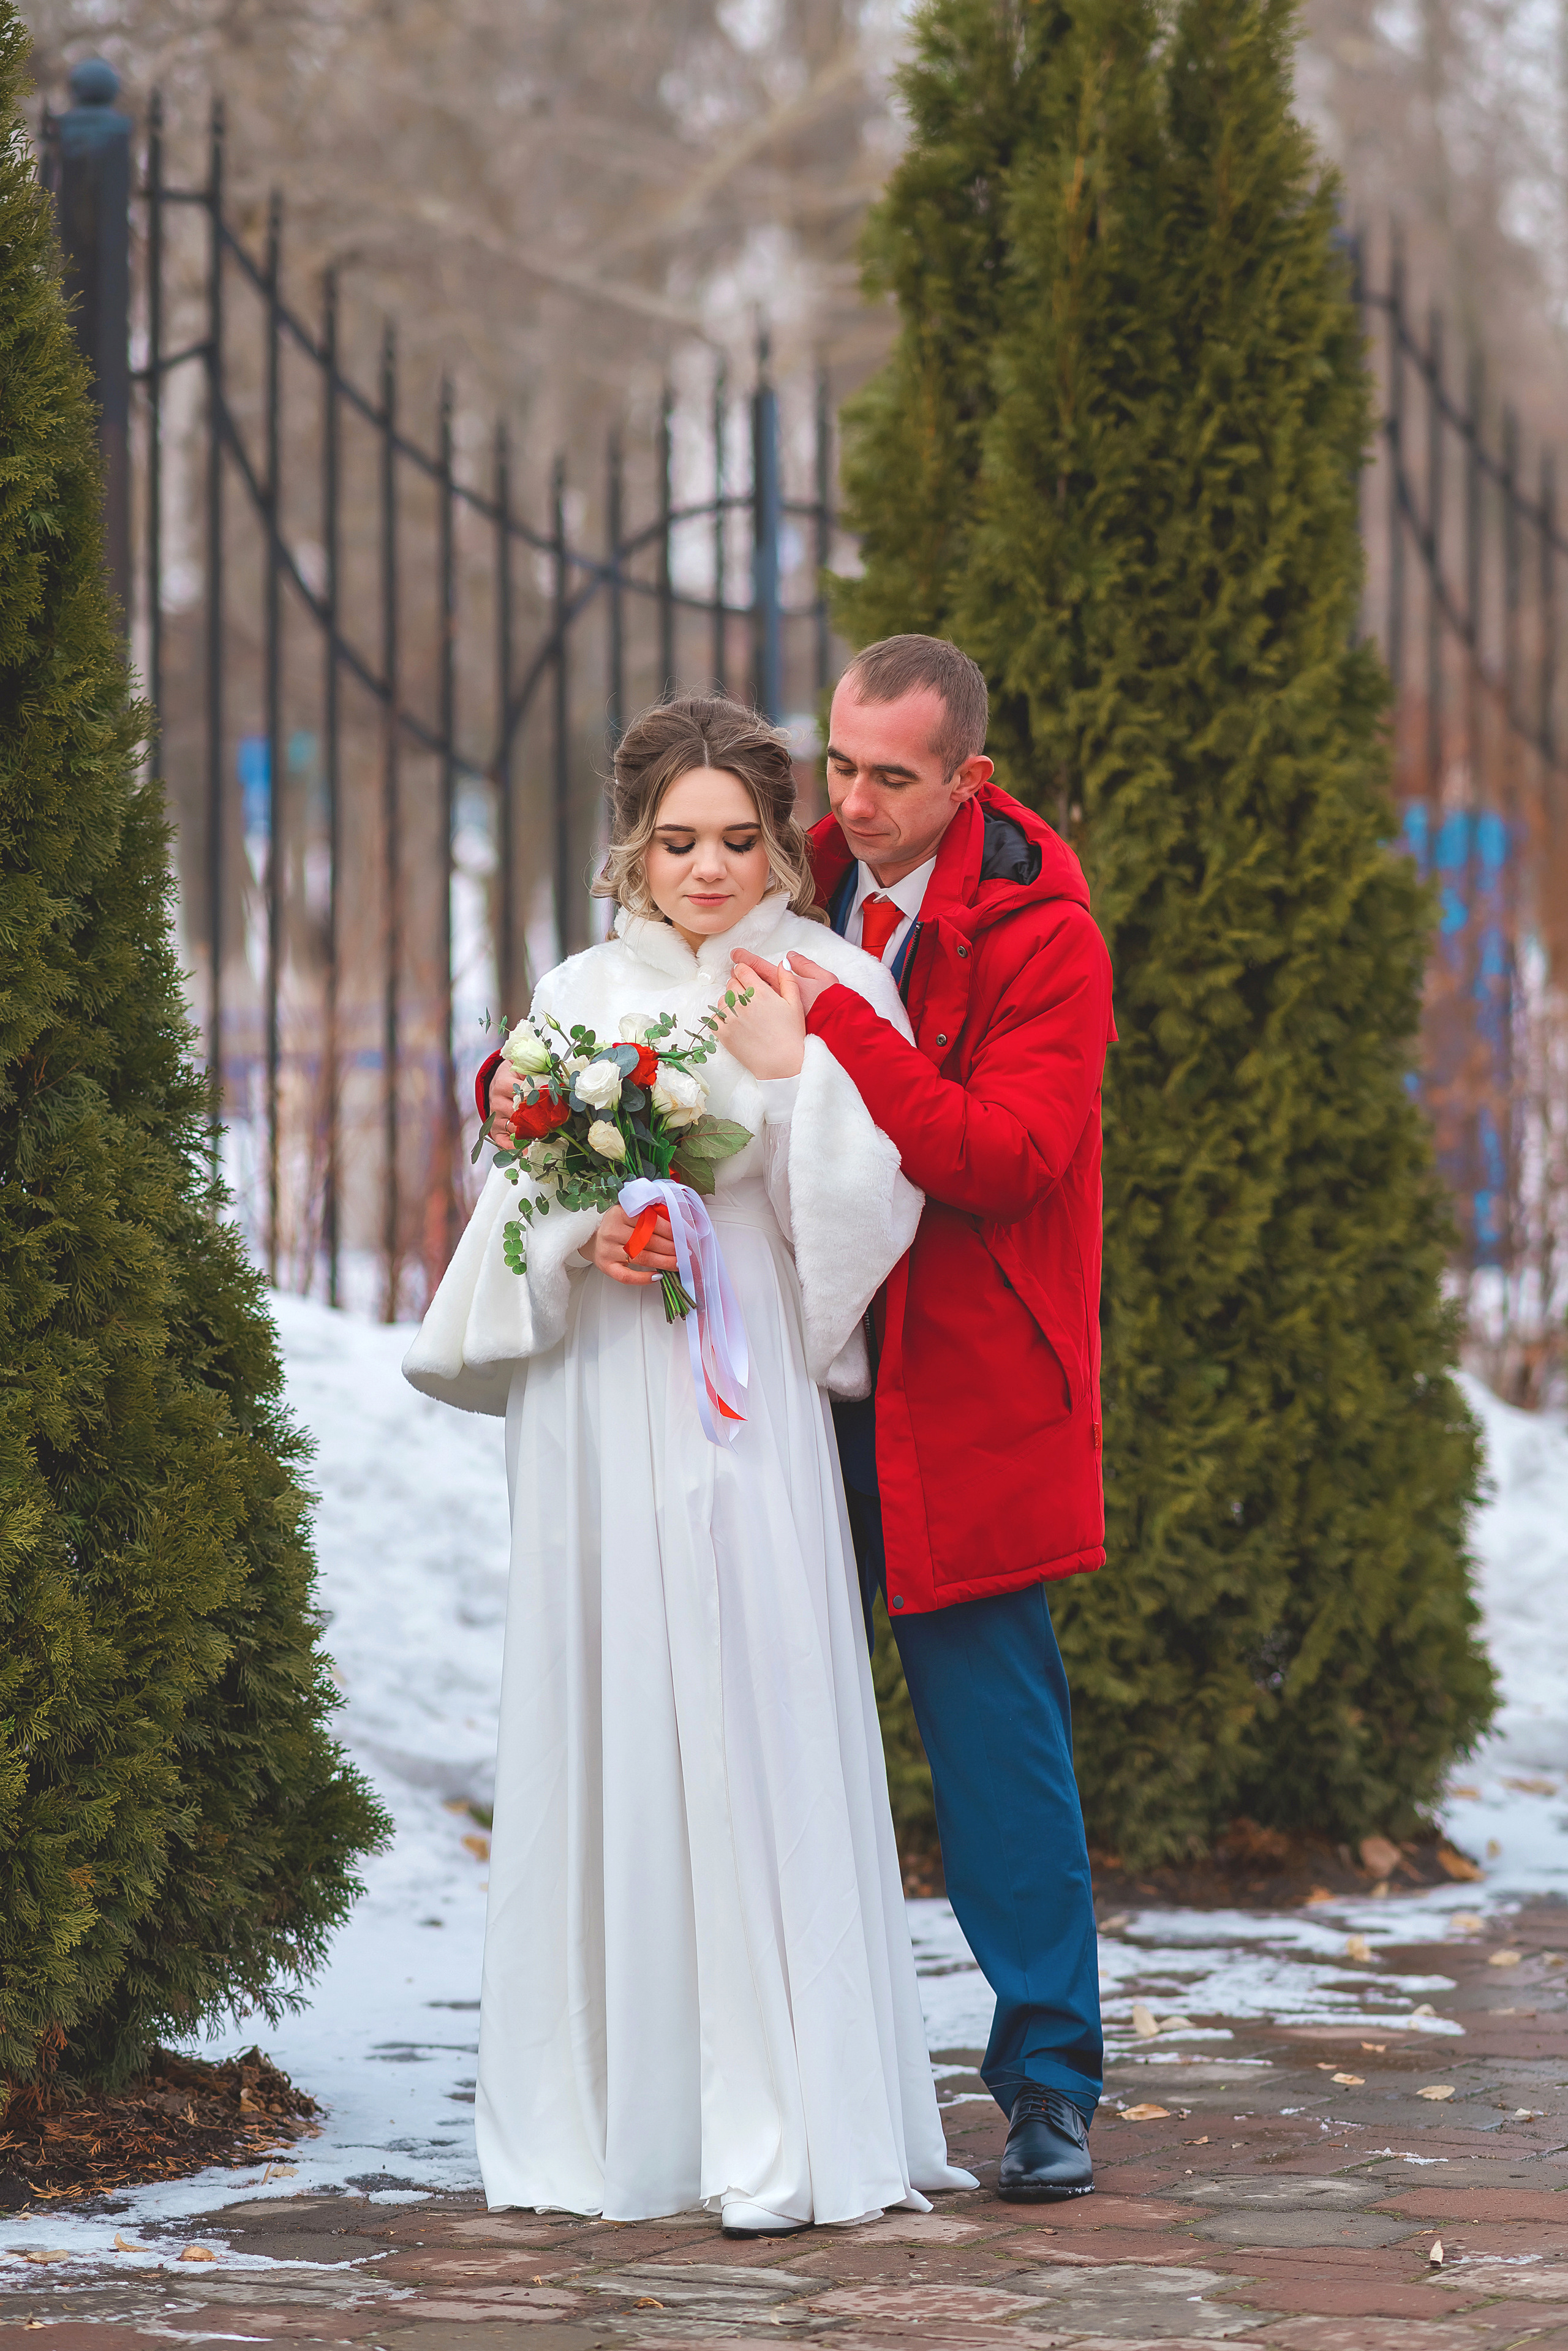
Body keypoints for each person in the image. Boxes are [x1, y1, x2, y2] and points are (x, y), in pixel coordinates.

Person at [404, 692, 976, 2234]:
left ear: (783, 842)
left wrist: (794, 1081)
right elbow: (513, 1188)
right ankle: (614, 2112)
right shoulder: (576, 986)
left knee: (750, 1688)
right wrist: (581, 1232)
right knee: (611, 1693)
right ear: (633, 846)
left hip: (741, 1395)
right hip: (598, 1382)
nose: (709, 869)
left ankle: (781, 2101)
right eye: (678, 840)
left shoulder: (835, 974)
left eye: (738, 839)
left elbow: (874, 1217)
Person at [731, 635, 1115, 2203]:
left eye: (891, 775)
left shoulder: (1046, 934)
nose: (851, 801)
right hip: (786, 1372)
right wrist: (527, 1088)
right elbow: (636, 1002)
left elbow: (1003, 1155)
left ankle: (1047, 2080)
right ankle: (776, 2072)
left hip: (961, 1385)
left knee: (990, 1741)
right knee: (767, 1721)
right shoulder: (791, 876)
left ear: (966, 773)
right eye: (837, 763)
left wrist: (833, 1032)